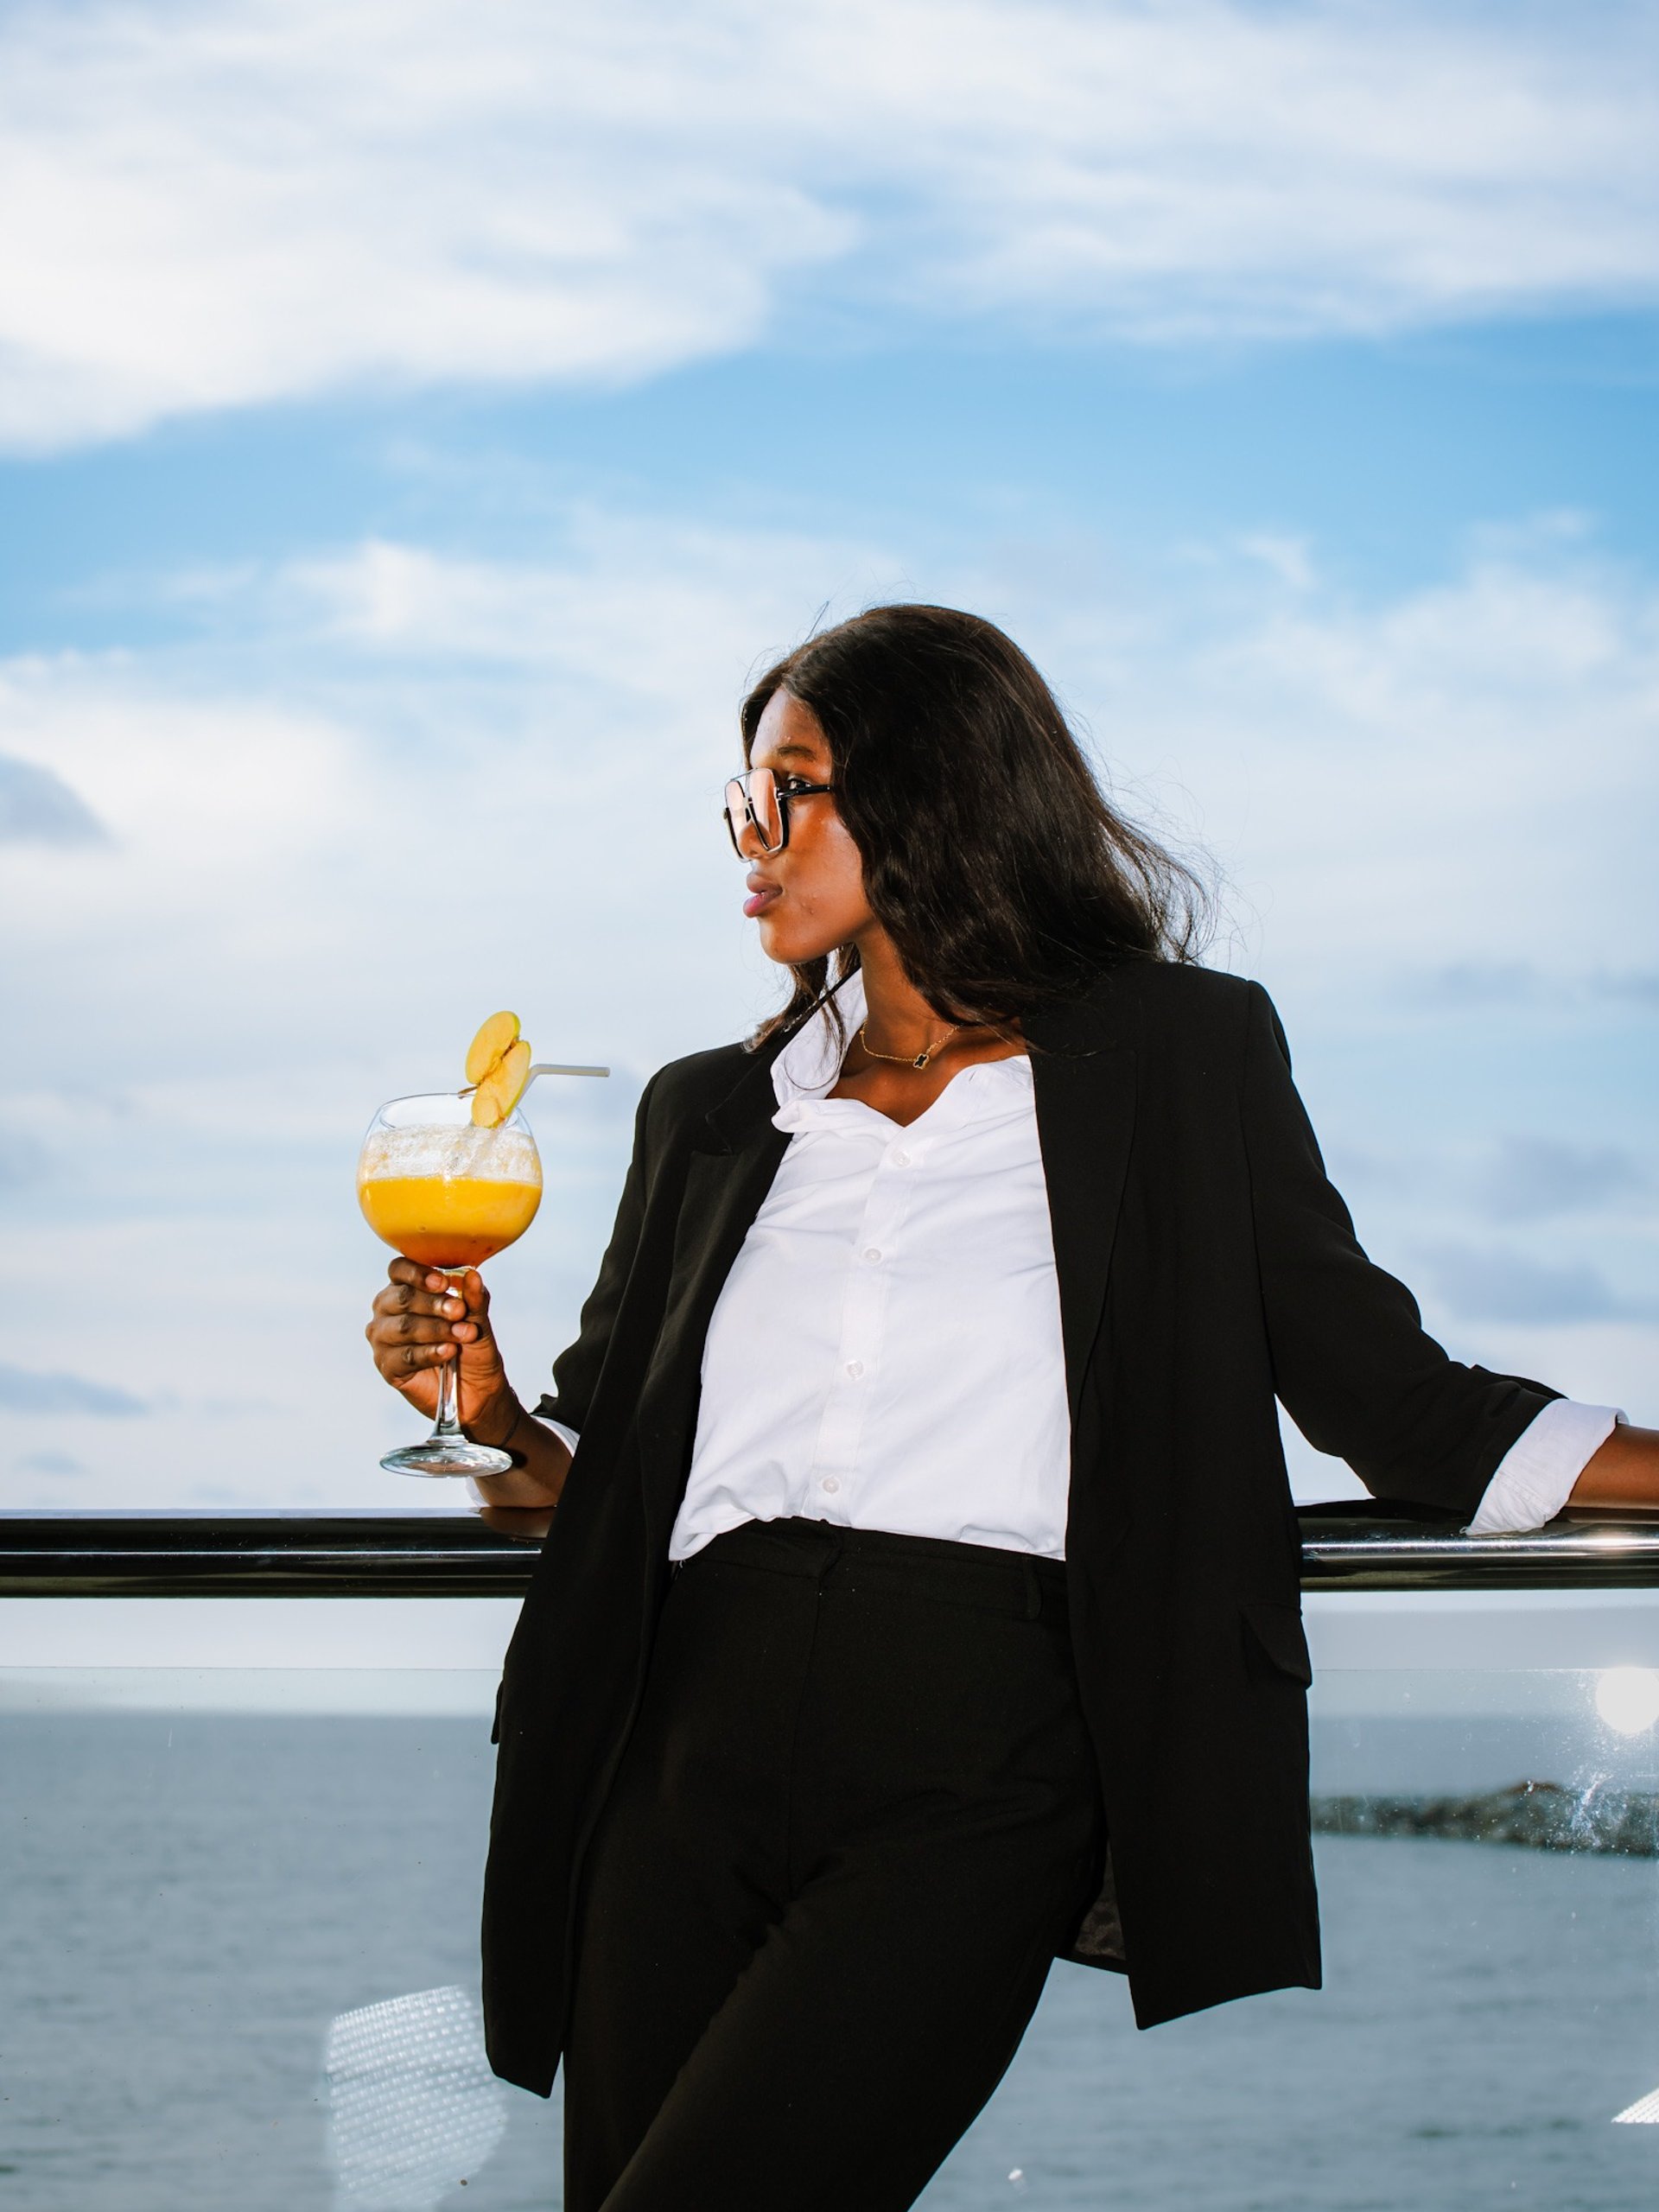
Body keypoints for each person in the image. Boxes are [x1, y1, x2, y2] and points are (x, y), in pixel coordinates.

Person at [365, 604, 1658, 2211]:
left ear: (937, 790)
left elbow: (1395, 1402)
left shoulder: (1179, 1057)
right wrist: (493, 1417)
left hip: (978, 1766)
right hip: (673, 1750)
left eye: (792, 789)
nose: (752, 839)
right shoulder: (707, 1112)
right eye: (741, 800)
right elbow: (600, 1494)